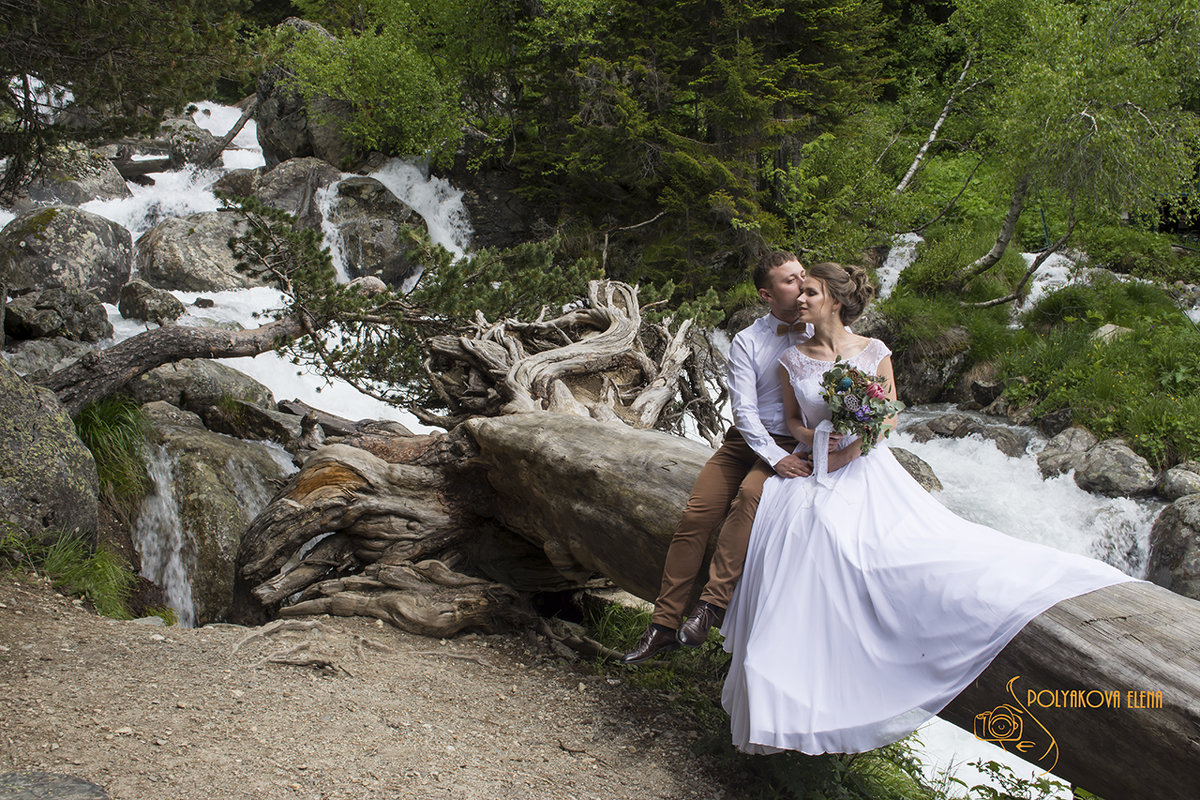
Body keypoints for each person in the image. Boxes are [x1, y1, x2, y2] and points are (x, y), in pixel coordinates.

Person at [719, 262, 1136, 754]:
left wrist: (851, 447)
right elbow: (792, 419)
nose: (801, 300)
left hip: (867, 467)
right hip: (815, 467)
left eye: (810, 292)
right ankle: (796, 683)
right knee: (809, 534)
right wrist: (821, 440)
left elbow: (891, 416)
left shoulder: (873, 351)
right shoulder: (793, 358)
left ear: (834, 300)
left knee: (906, 550)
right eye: (799, 291)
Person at [621, 251, 816, 665]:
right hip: (744, 441)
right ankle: (662, 626)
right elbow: (744, 411)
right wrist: (772, 457)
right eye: (789, 281)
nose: (800, 286)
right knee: (694, 518)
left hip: (795, 443)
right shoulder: (748, 340)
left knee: (748, 498)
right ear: (767, 294)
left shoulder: (819, 333)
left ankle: (710, 608)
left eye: (803, 276)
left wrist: (788, 456)